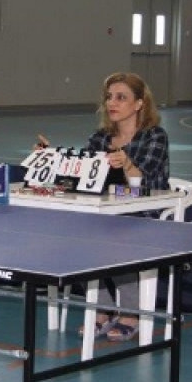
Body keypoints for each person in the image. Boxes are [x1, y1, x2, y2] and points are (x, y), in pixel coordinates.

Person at [40, 72, 170, 342]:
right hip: (107, 210)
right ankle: (101, 307)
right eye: (109, 97)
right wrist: (51, 157)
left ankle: (131, 312)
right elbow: (80, 174)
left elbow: (142, 183)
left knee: (119, 234)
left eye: (121, 97)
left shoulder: (154, 136)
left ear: (139, 104)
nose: (112, 102)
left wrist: (128, 164)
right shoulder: (100, 138)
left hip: (146, 209)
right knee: (72, 235)